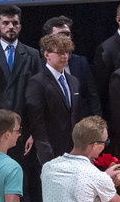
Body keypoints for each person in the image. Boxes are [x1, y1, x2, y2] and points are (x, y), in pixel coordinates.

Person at [25, 33, 83, 166]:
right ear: (47, 55)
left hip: (74, 148)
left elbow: (76, 115)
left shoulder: (74, 81)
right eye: (60, 52)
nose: (65, 56)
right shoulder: (37, 82)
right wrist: (45, 152)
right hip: (51, 149)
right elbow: (36, 122)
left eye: (67, 52)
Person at [0, 5, 42, 118]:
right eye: (6, 23)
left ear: (20, 27)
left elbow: (38, 91)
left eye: (15, 23)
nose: (11, 27)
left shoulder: (33, 55)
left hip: (26, 118)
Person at [40, 15, 99, 117]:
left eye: (68, 34)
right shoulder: (39, 65)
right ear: (48, 39)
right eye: (61, 35)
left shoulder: (80, 62)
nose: (66, 38)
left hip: (81, 122)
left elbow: (92, 96)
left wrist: (97, 120)